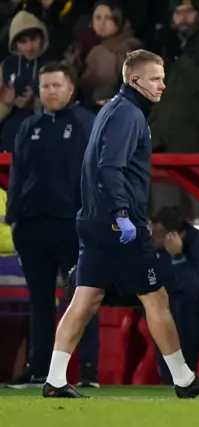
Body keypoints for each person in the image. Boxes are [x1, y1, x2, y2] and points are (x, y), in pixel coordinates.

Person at [41, 49, 199, 399]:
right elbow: (111, 169)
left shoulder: (112, 108)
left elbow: (97, 166)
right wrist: (122, 215)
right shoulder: (129, 115)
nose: (163, 86)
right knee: (156, 298)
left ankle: (54, 380)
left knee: (85, 299)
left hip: (94, 222)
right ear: (134, 80)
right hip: (118, 225)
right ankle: (184, 380)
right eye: (155, 78)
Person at [5, 62, 100, 389]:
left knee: (83, 298)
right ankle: (38, 369)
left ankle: (88, 370)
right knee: (40, 300)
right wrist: (13, 219)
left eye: (56, 85)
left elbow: (97, 174)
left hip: (73, 225)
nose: (50, 91)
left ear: (70, 88)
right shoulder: (28, 126)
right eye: (45, 86)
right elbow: (17, 178)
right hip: (32, 226)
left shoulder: (87, 124)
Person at [151, 207, 199, 382]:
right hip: (172, 315)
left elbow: (197, 288)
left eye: (157, 235)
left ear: (173, 236)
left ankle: (185, 375)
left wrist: (178, 258)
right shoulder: (157, 251)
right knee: (156, 306)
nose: (152, 239)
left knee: (185, 304)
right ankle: (169, 377)